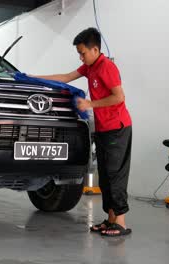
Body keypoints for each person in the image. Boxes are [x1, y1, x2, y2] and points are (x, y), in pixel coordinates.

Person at [32, 27, 132, 237]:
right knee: (104, 177)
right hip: (104, 128)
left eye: (83, 52)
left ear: (95, 49)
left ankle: (121, 223)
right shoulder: (90, 67)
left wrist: (90, 104)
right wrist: (33, 78)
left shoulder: (107, 67)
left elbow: (119, 97)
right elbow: (66, 77)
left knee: (114, 176)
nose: (81, 56)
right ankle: (111, 220)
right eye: (79, 53)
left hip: (117, 128)